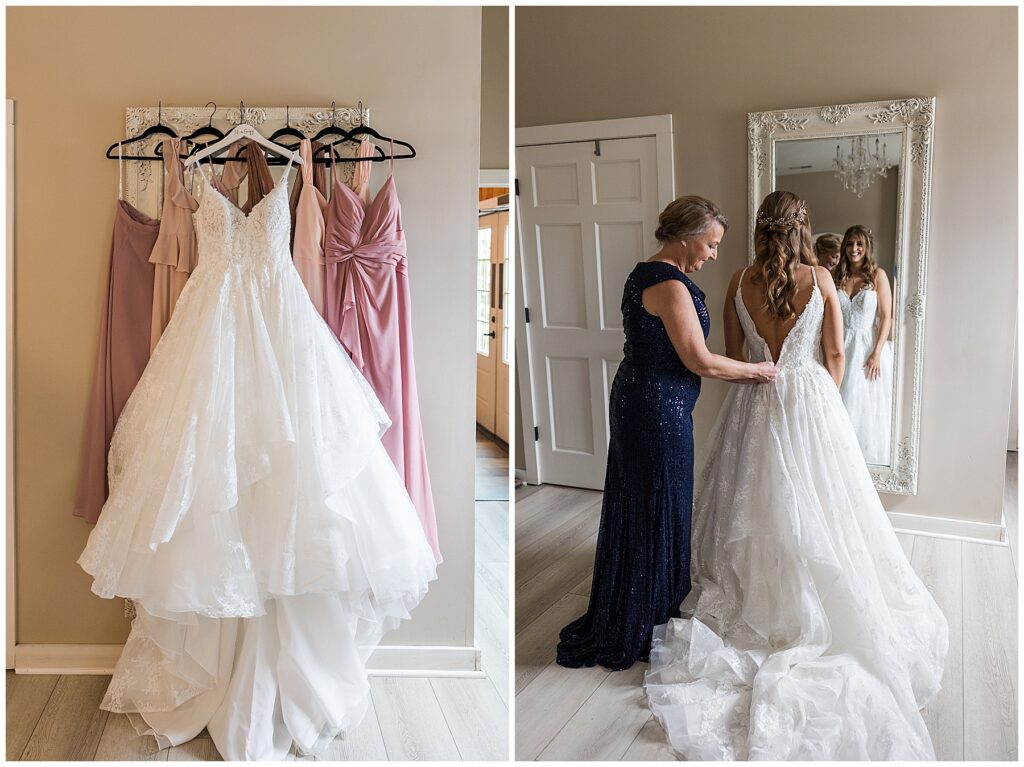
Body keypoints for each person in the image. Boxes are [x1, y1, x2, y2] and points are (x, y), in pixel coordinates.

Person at [644, 191, 947, 760]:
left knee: (750, 504)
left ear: (759, 230)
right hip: (810, 402)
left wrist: (769, 382)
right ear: (804, 230)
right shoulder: (822, 280)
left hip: (752, 405)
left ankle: (756, 604)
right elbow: (835, 355)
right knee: (822, 510)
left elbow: (733, 359)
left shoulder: (737, 281)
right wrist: (816, 407)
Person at [556, 196, 778, 671]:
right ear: (687, 236)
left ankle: (651, 601)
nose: (714, 254)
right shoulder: (668, 284)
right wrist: (756, 370)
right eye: (712, 243)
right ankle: (644, 615)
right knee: (657, 502)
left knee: (658, 500)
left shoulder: (646, 274)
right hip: (654, 407)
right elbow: (698, 359)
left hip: (651, 401)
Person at [834, 224, 894, 463]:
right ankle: (840, 459)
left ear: (867, 247)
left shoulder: (877, 275)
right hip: (840, 345)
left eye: (859, 244)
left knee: (861, 406)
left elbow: (887, 316)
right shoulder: (838, 276)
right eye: (849, 244)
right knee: (839, 403)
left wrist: (876, 353)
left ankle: (861, 461)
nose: (854, 249)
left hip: (866, 348)